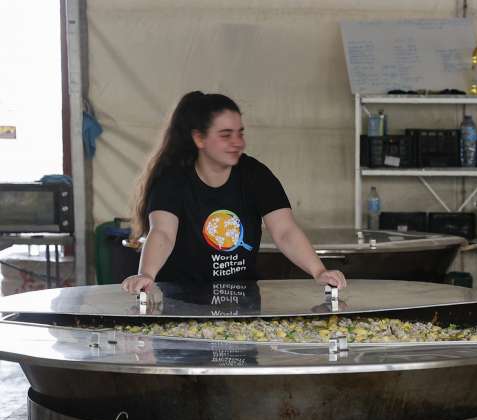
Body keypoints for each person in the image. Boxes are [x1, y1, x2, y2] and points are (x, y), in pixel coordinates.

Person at [122, 91, 345, 294]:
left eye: (240, 133)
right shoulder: (172, 180)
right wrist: (147, 274)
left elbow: (285, 231)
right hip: (182, 303)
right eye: (226, 135)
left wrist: (319, 271)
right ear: (199, 138)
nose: (237, 143)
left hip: (242, 301)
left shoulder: (256, 175)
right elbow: (162, 233)